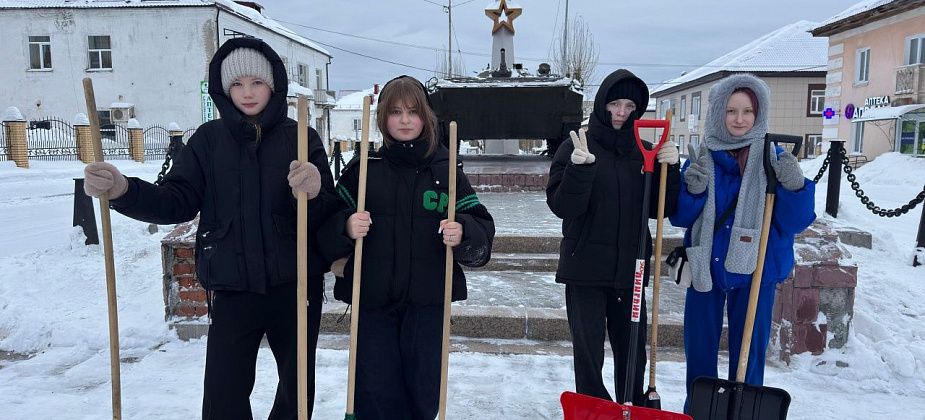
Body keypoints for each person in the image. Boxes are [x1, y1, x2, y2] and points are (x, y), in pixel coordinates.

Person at [82, 37, 338, 419]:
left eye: (257, 82)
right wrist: (123, 190)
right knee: (223, 391)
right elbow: (176, 199)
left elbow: (327, 213)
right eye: (237, 84)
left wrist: (315, 191)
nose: (247, 92)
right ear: (222, 88)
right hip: (233, 286)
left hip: (296, 283)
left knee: (297, 386)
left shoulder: (300, 138)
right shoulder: (209, 140)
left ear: (274, 85)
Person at [319, 75, 495, 420]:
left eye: (413, 112)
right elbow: (324, 230)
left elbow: (482, 229)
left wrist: (463, 232)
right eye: (395, 112)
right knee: (376, 391)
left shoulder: (446, 171)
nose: (404, 120)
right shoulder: (365, 171)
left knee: (424, 389)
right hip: (373, 303)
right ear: (383, 117)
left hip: (427, 305)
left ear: (426, 117)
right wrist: (345, 227)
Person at [669, 73, 816, 411]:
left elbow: (794, 222)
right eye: (731, 111)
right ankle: (700, 411)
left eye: (748, 111)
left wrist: (795, 187)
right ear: (718, 112)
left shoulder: (773, 158)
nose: (739, 119)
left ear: (759, 113)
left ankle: (743, 412)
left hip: (757, 271)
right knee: (699, 351)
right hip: (706, 267)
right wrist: (693, 189)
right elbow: (681, 217)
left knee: (748, 357)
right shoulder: (703, 157)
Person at [546, 68, 681, 405]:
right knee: (589, 355)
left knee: (633, 352)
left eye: (630, 106)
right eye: (615, 104)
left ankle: (630, 406)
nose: (621, 112)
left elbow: (661, 208)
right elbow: (562, 206)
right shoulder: (576, 146)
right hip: (585, 269)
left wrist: (671, 170)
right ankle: (595, 409)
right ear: (602, 104)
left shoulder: (645, 151)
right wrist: (579, 171)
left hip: (631, 270)